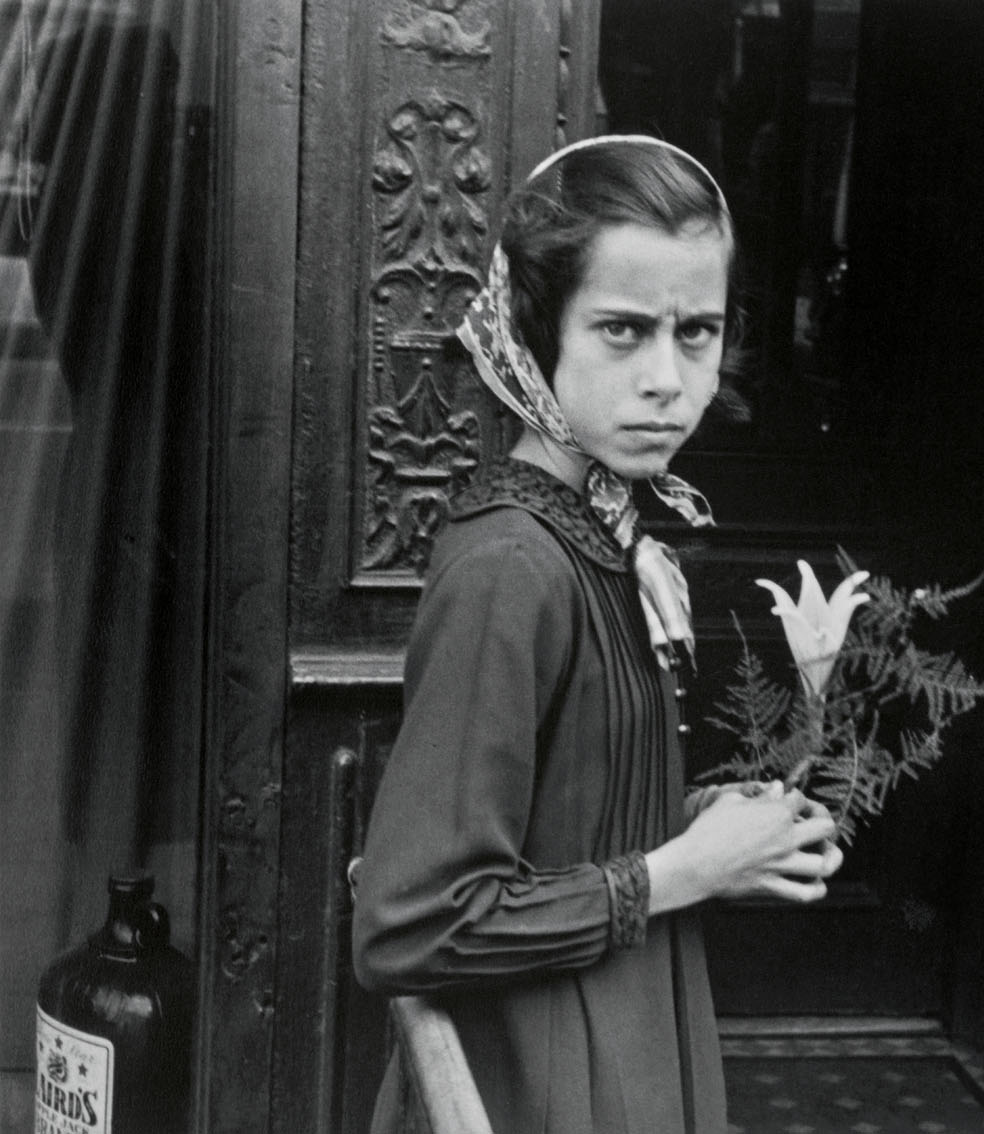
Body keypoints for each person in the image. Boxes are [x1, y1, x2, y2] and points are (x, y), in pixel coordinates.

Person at [350, 135, 844, 1134]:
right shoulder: (511, 566)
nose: (668, 376)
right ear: (535, 335)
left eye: (697, 332)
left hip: (624, 1047)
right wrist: (683, 871)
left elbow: (564, 826)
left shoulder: (601, 536)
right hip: (539, 1084)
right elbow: (409, 925)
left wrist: (710, 825)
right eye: (622, 330)